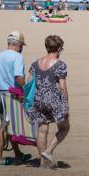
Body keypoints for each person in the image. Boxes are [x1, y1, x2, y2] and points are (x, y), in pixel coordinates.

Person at [0, 31, 29, 165]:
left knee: (9, 124)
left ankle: (18, 154)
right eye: (22, 45)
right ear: (19, 45)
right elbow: (18, 77)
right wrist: (27, 90)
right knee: (5, 126)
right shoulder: (17, 57)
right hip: (10, 95)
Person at [27, 35, 70, 169]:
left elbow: (29, 82)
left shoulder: (35, 64)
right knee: (65, 127)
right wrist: (66, 105)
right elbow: (62, 87)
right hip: (53, 100)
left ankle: (42, 162)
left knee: (42, 129)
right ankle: (48, 152)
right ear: (58, 49)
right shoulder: (60, 65)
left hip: (38, 100)